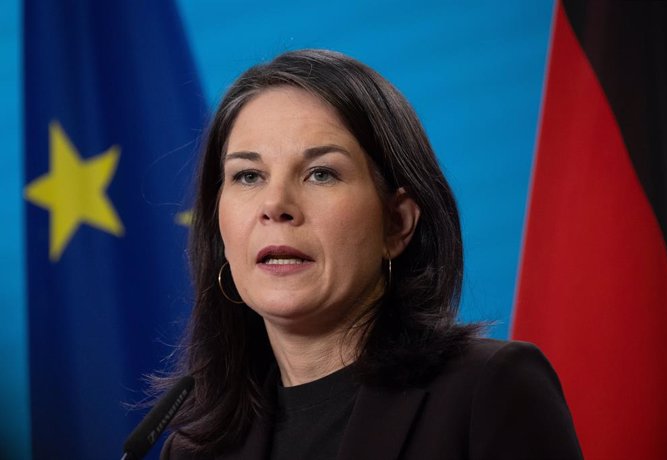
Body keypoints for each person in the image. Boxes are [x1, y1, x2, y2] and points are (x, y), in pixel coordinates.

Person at [159, 49, 582, 459]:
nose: (275, 204)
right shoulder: (196, 451)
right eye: (248, 176)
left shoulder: (491, 392)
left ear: (397, 223)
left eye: (321, 173)